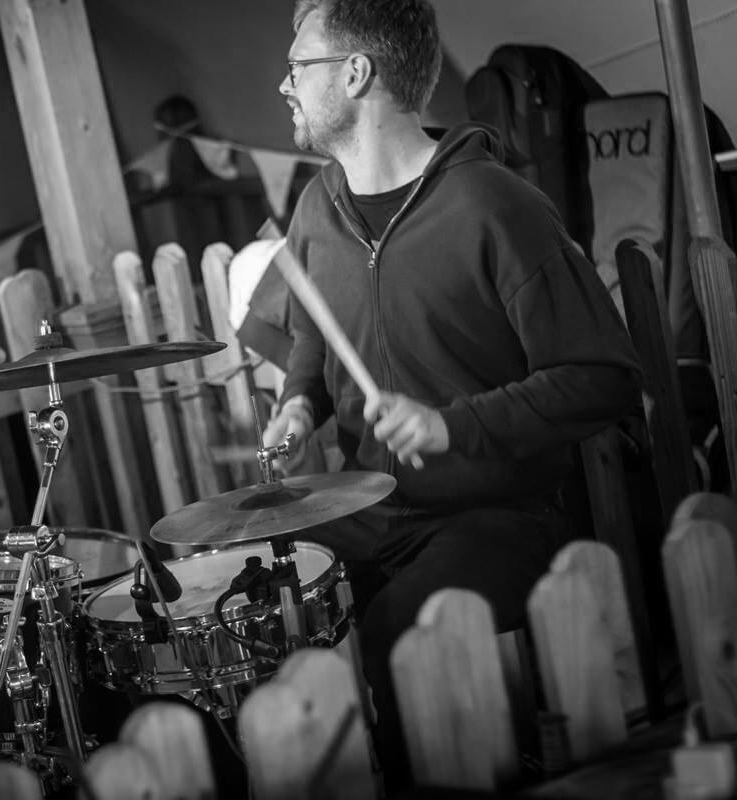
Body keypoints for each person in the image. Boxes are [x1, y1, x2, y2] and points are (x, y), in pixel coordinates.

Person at [262, 0, 643, 789]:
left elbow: (603, 377)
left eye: (299, 67)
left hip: (495, 512)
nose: (283, 86)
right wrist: (301, 402)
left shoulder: (495, 206)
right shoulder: (314, 207)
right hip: (365, 507)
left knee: (401, 646)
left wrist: (452, 427)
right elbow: (311, 335)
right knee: (260, 616)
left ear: (358, 73)